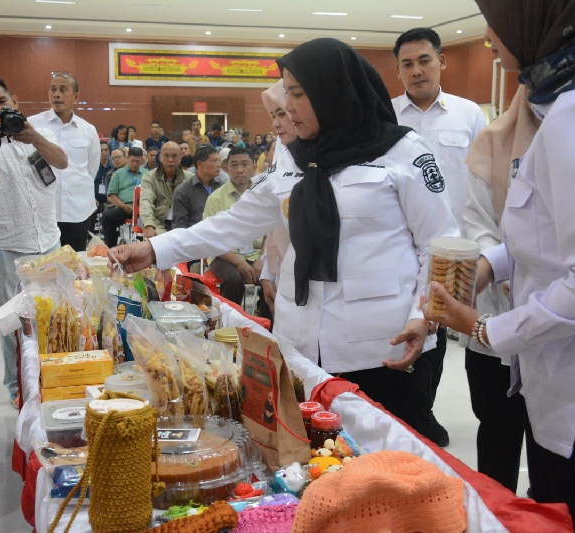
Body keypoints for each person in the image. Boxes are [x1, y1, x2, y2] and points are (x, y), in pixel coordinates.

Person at [112, 38, 459, 436]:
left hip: (385, 351)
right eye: (286, 91)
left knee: (394, 473)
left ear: (333, 93)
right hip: (301, 351)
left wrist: (424, 316)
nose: (287, 105)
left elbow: (440, 245)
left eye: (297, 93)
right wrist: (155, 249)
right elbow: (233, 222)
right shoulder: (294, 158)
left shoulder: (403, 152)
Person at [424, 1, 575, 530]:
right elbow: (554, 234)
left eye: (494, 20)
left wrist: (487, 328)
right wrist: (491, 266)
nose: (488, 40)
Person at [392, 27, 487, 447]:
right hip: (401, 245)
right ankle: (414, 413)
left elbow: (484, 182)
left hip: (456, 248)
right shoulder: (385, 116)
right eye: (407, 64)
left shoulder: (469, 115)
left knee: (442, 328)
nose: (417, 71)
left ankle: (424, 410)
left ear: (442, 61)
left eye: (424, 60)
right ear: (398, 71)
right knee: (411, 324)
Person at [461, 80, 541, 493]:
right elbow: (476, 220)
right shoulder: (493, 142)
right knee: (497, 430)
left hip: (559, 327)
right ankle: (495, 513)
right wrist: (503, 267)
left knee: (553, 452)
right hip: (495, 310)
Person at [0, 75, 67, 407]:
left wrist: (33, 135)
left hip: (49, 241)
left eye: (2, 102)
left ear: (15, 100)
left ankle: (48, 377)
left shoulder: (39, 132)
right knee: (14, 322)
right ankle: (16, 388)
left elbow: (61, 161)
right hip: (9, 245)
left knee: (52, 317)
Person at [28, 72, 100, 252]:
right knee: (44, 269)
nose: (56, 94)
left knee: (75, 267)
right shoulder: (33, 125)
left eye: (63, 90)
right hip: (43, 213)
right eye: (52, 89)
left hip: (78, 211)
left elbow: (91, 169)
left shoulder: (88, 130)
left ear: (76, 96)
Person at [258, 79, 299, 320]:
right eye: (272, 115)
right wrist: (267, 272)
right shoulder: (282, 148)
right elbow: (275, 218)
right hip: (285, 273)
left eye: (282, 113)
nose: (275, 124)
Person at [203, 147, 263, 303]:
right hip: (224, 255)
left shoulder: (262, 196)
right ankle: (231, 323)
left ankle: (265, 322)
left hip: (257, 253)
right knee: (234, 279)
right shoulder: (215, 199)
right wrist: (238, 262)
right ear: (226, 168)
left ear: (254, 167)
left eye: (245, 164)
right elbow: (211, 239)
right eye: (234, 165)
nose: (240, 170)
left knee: (275, 276)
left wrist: (262, 259)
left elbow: (271, 233)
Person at [139, 141, 191, 238]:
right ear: (160, 158)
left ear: (180, 158)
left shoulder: (190, 178)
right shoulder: (149, 177)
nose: (170, 160)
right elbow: (146, 202)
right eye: (166, 156)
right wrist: (149, 225)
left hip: (183, 224)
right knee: (164, 243)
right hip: (158, 223)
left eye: (174, 156)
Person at [172, 145, 223, 230]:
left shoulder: (221, 186)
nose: (218, 165)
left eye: (219, 161)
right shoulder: (183, 191)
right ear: (200, 163)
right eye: (214, 161)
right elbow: (180, 226)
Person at [102, 146, 144, 246]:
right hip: (125, 207)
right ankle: (111, 248)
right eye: (132, 160)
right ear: (127, 158)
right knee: (108, 216)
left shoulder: (148, 174)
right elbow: (111, 195)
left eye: (137, 161)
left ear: (142, 161)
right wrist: (124, 207)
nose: (134, 164)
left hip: (144, 207)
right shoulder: (117, 174)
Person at [94, 139, 110, 209]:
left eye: (106, 150)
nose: (104, 152)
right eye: (101, 150)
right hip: (95, 199)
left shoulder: (113, 167)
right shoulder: (93, 167)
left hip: (110, 200)